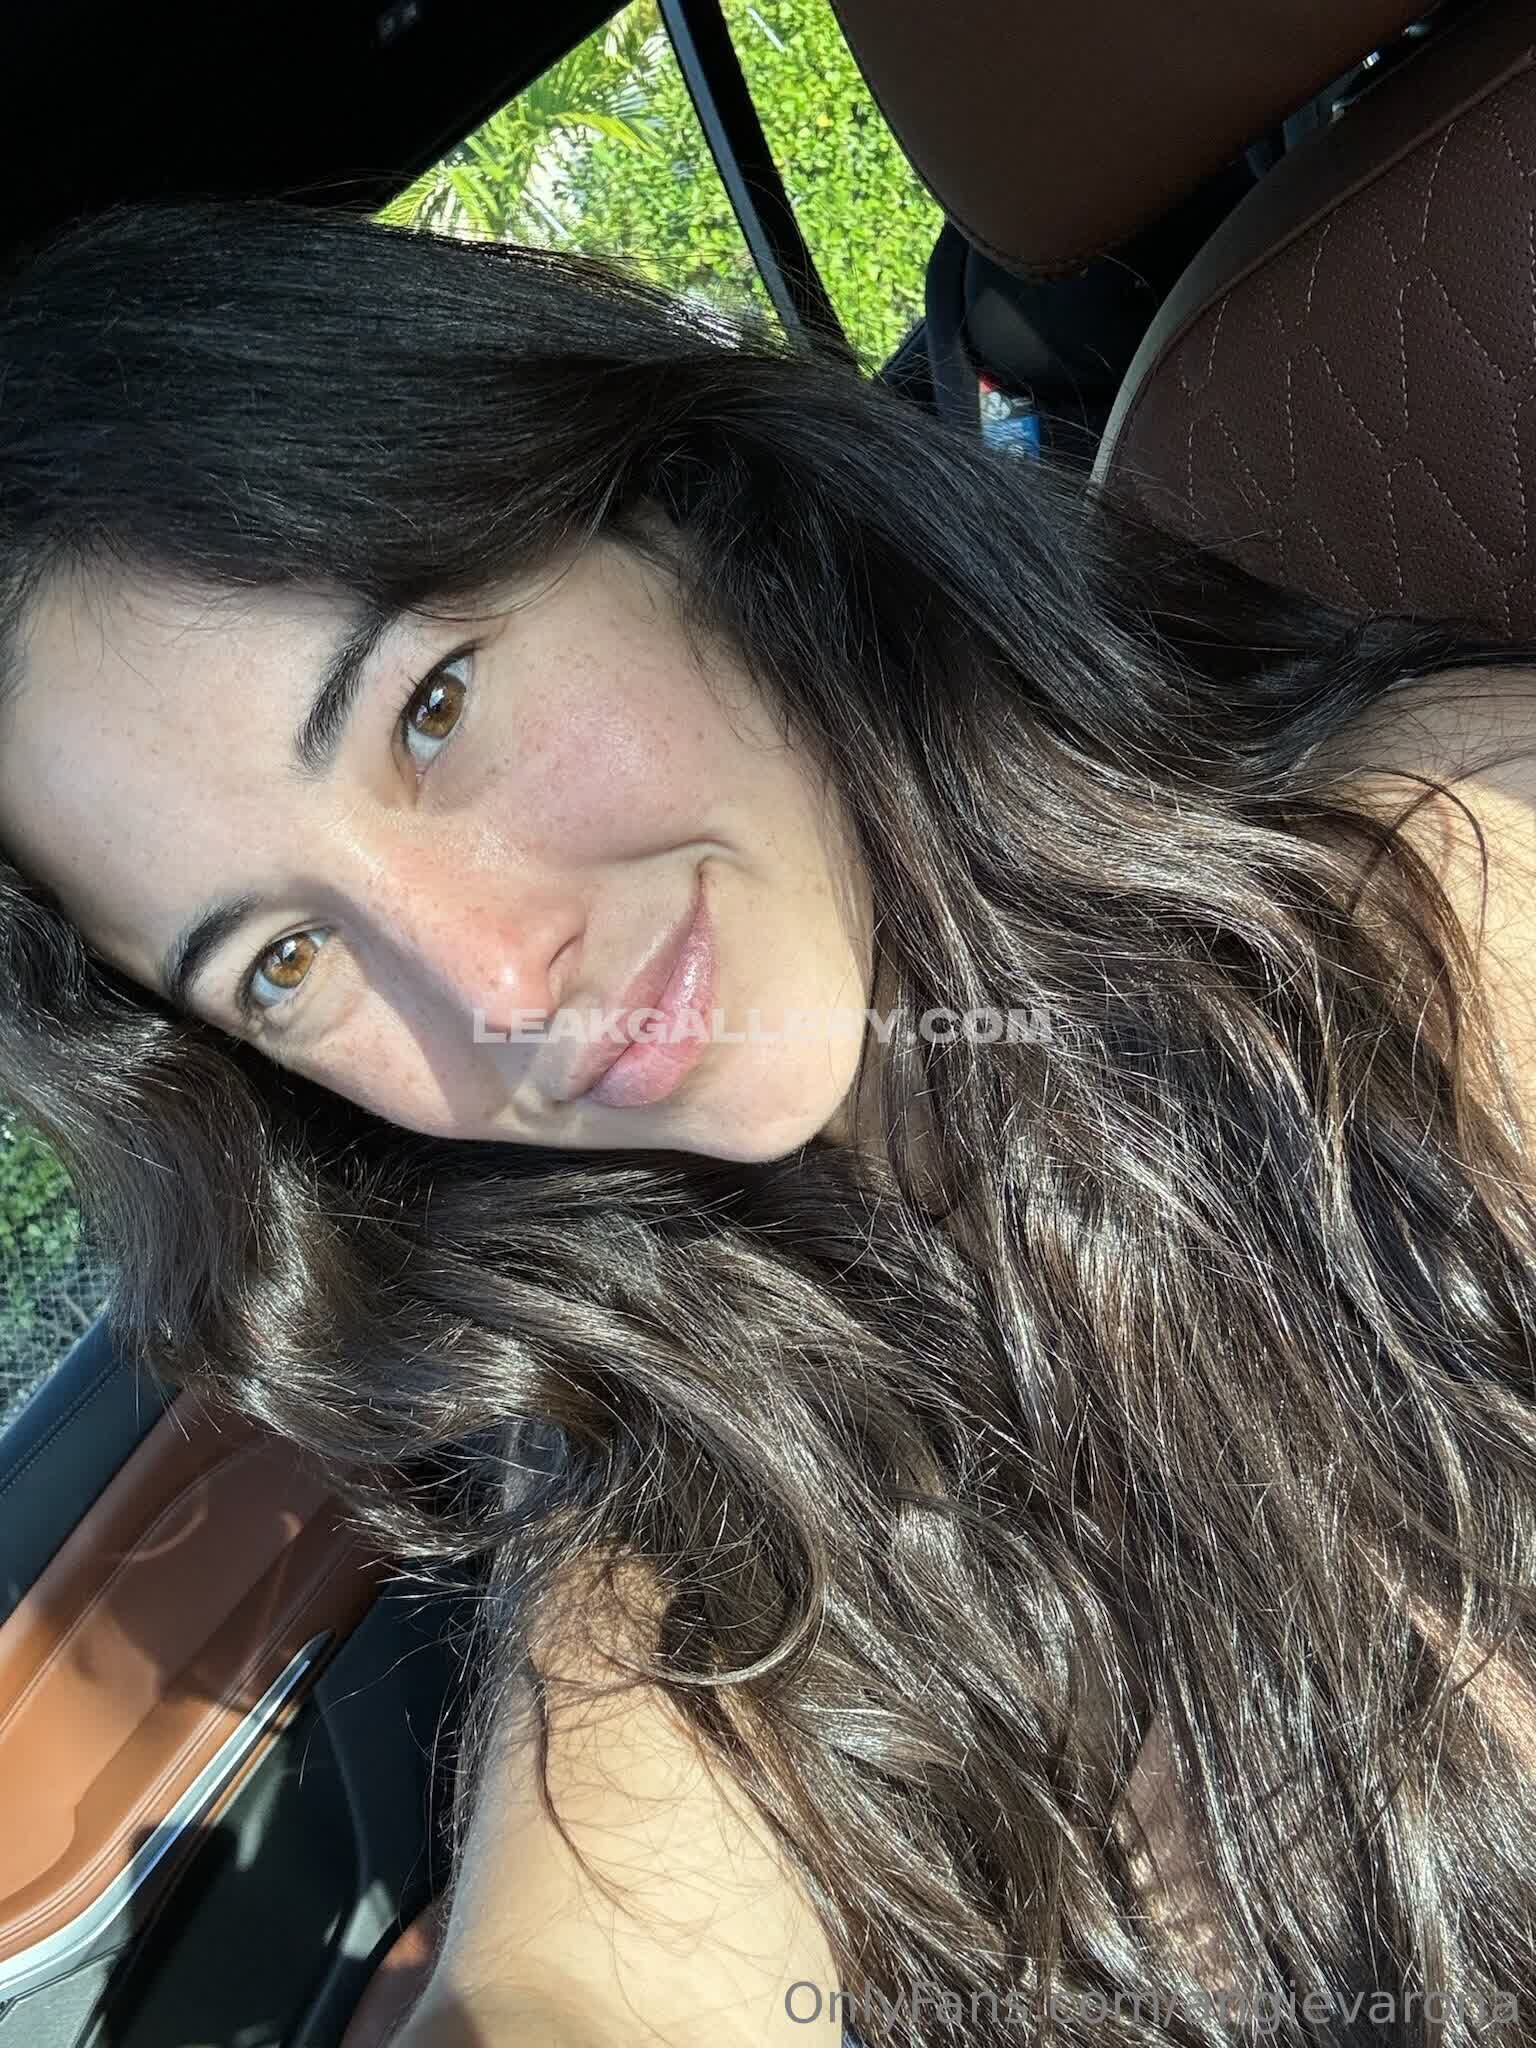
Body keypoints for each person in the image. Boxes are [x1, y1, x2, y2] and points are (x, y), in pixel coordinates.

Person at [4, 197, 1536, 2048]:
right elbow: (577, 1984)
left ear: (678, 511)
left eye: (433, 707)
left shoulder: (1447, 893)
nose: (492, 986)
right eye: (285, 960)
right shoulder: (665, 1400)